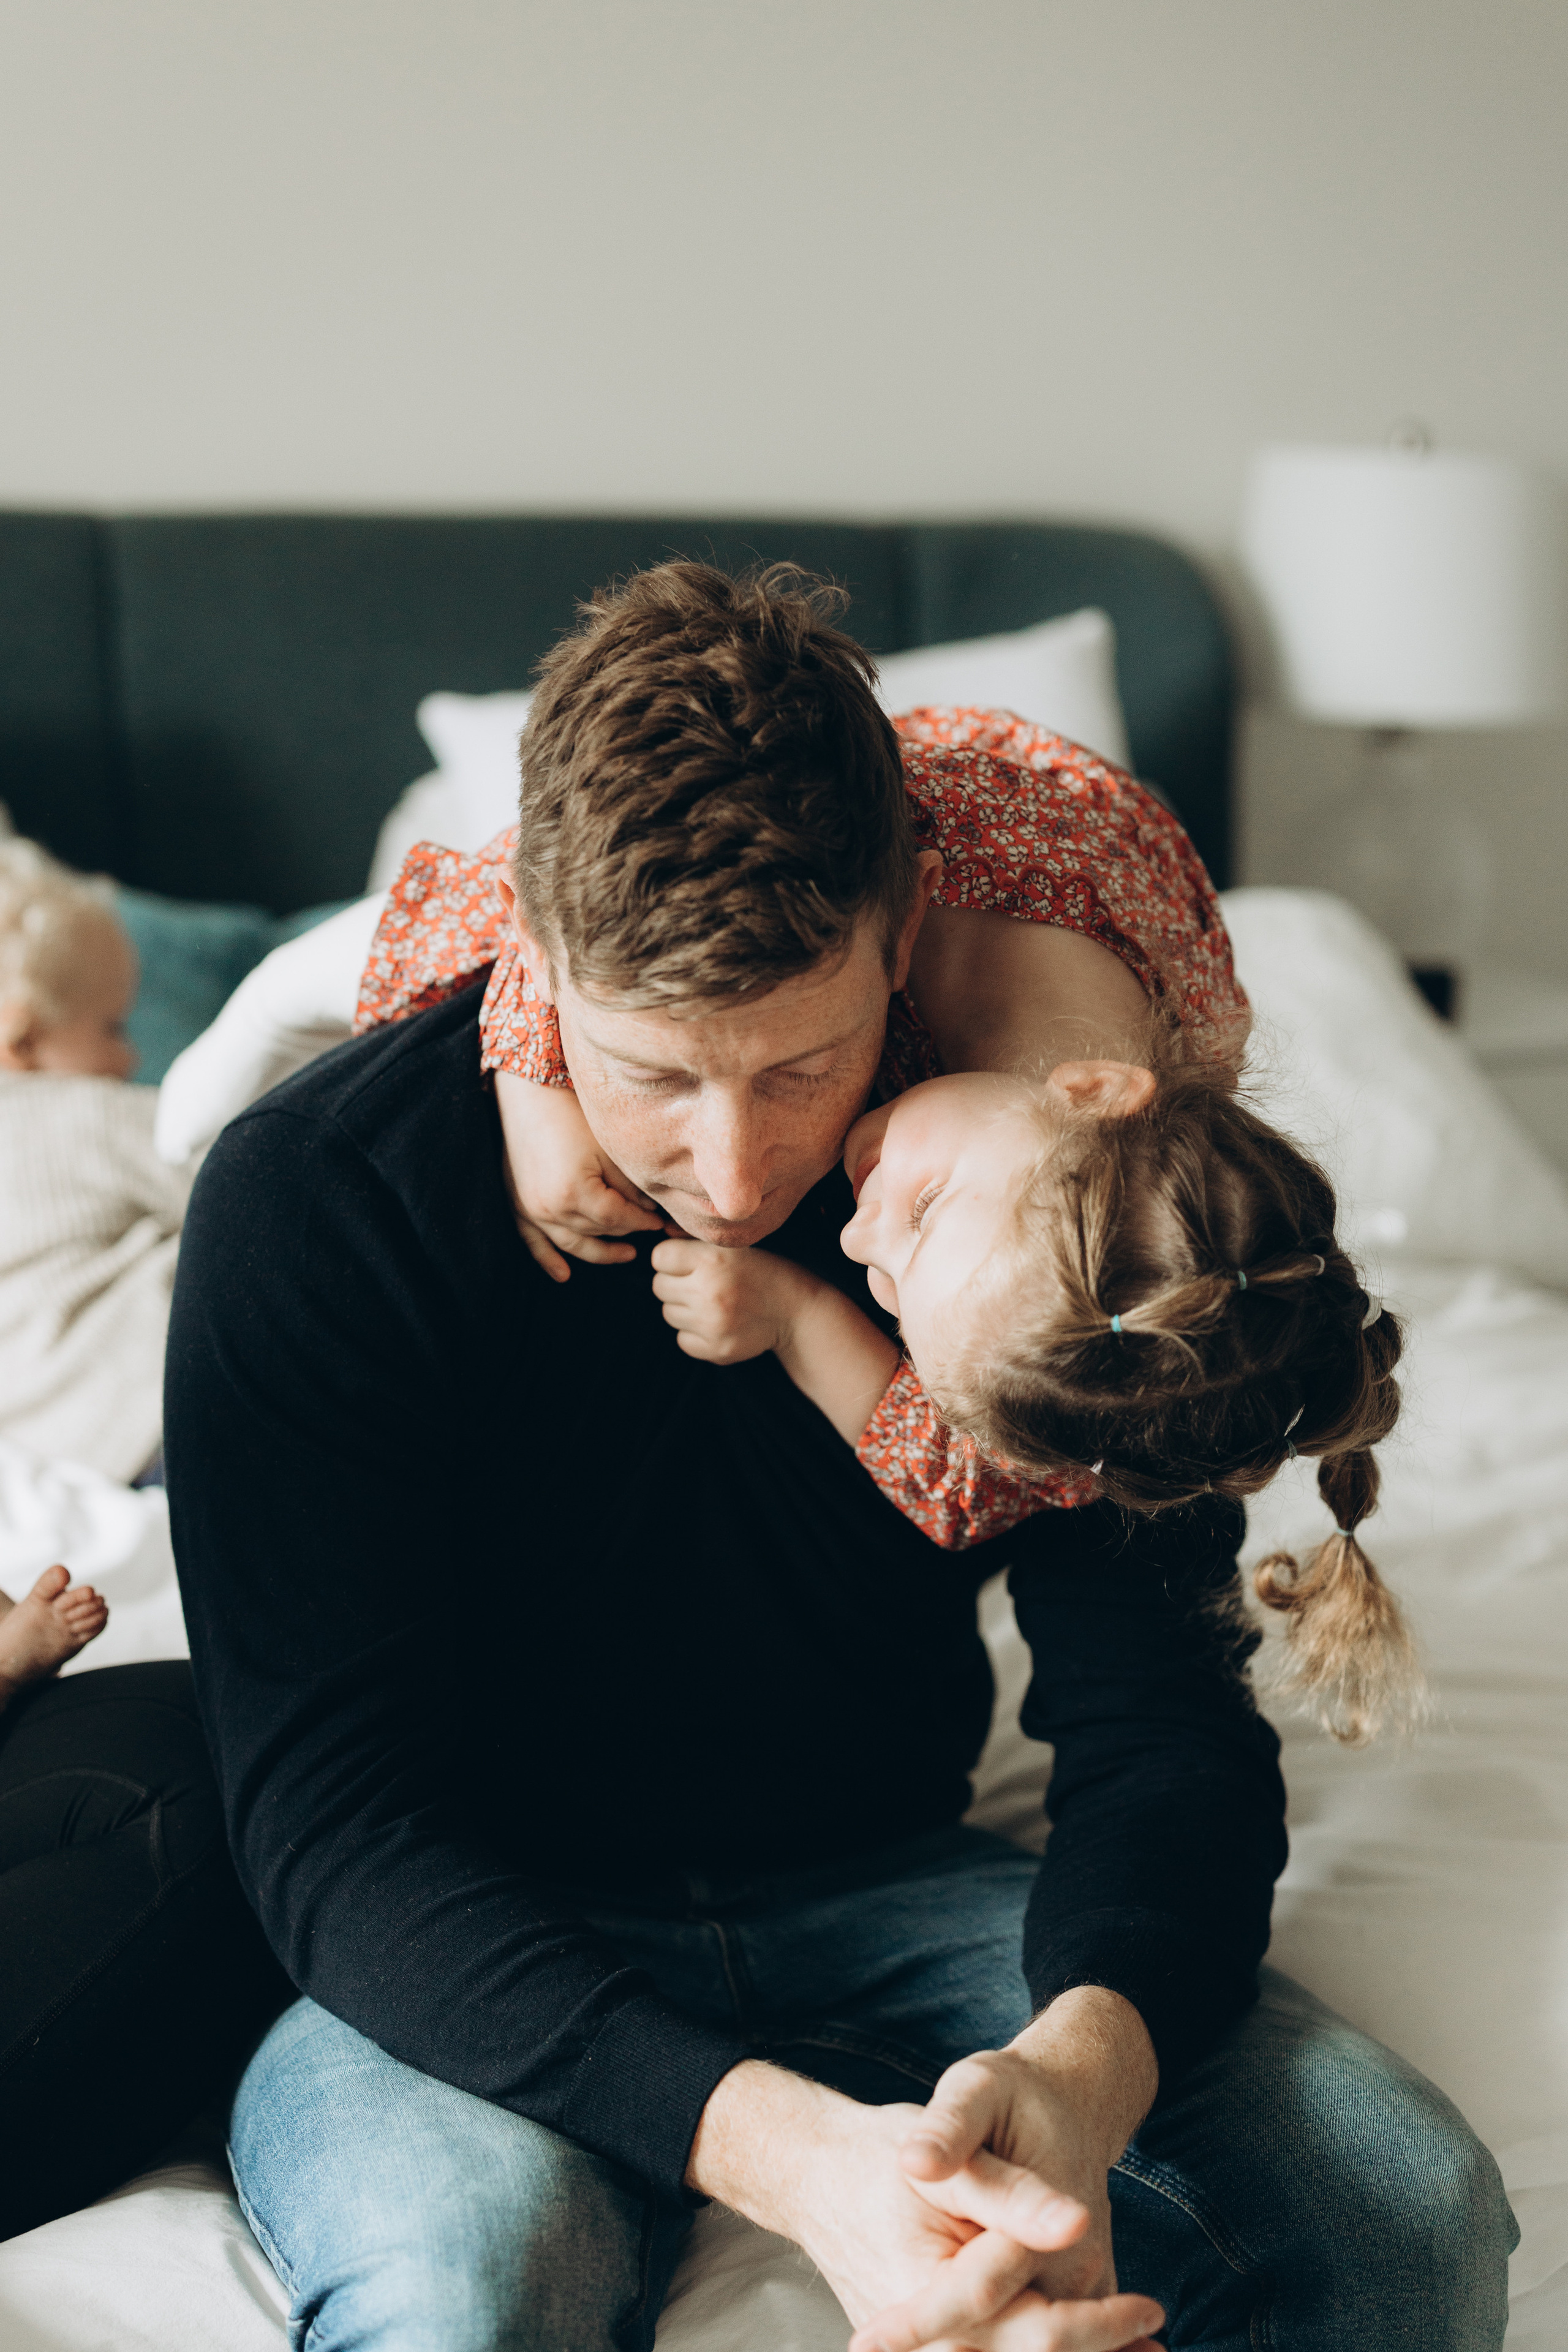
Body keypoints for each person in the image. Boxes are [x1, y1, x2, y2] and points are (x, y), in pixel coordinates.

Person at [169, 564, 1513, 2350]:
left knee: (1393, 2209)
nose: (732, 1176)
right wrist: (798, 2160)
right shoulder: (316, 1197)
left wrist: (1081, 2067)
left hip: (889, 1868)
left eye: (802, 1062)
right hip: (476, 1920)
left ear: (905, 934)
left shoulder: (1036, 1217)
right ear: (535, 962)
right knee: (466, 2291)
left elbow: (1161, 1719)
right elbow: (332, 1827)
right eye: (651, 1074)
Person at [0, 833, 189, 1480]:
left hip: (61, 1459)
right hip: (165, 1404)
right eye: (112, 1027)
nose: (131, 1058)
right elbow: (247, 1166)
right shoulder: (80, 1111)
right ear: (23, 1041)